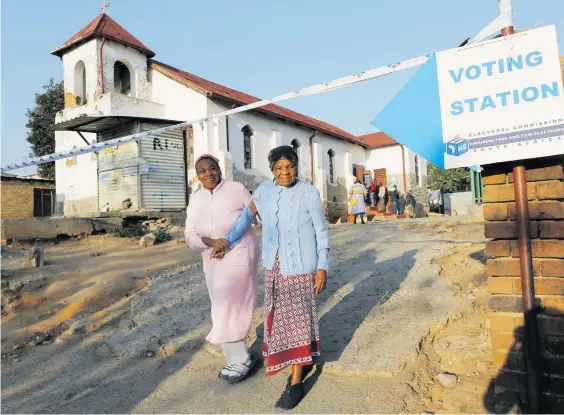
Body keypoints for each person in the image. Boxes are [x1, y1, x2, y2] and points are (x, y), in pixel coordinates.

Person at [216, 145, 329, 410]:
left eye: (289, 166)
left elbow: (322, 232)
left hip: (302, 268)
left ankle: (297, 381)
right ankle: (303, 360)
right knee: (281, 321)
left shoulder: (308, 192)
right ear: (272, 170)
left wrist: (323, 266)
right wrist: (228, 241)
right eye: (279, 168)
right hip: (275, 268)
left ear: (296, 166)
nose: (285, 172)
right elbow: (247, 216)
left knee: (298, 322)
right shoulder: (265, 191)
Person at [184, 154, 260, 384]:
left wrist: (227, 242)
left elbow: (255, 215)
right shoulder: (196, 199)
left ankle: (239, 359)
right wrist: (210, 242)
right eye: (202, 171)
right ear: (197, 175)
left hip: (238, 253)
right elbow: (189, 235)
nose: (208, 174)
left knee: (230, 305)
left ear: (219, 169)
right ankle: (236, 357)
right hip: (212, 257)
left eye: (212, 168)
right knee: (219, 305)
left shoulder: (237, 188)